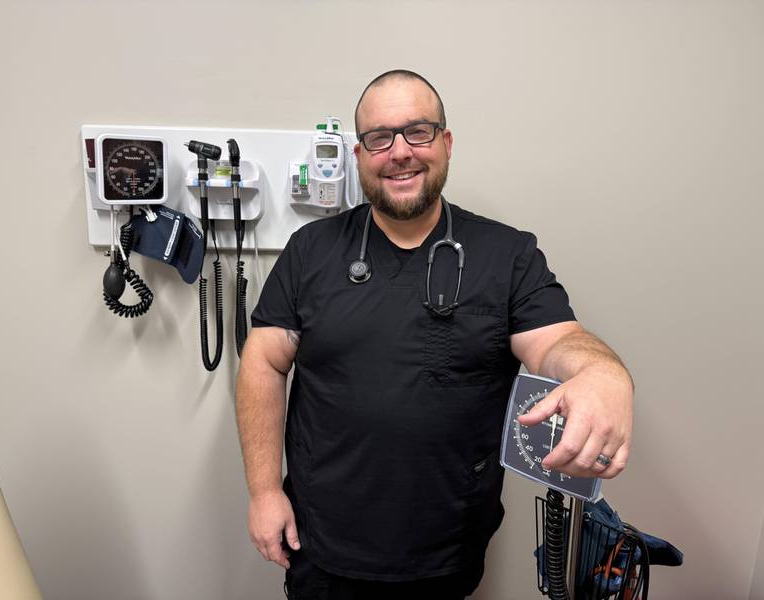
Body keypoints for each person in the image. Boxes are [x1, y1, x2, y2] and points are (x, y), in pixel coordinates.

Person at [235, 69, 634, 600]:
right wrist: (263, 492)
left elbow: (559, 341)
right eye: (379, 138)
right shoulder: (310, 251)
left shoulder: (507, 256)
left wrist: (602, 373)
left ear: (446, 144)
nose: (399, 151)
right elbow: (262, 362)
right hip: (323, 543)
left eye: (418, 132)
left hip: (446, 550)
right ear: (359, 157)